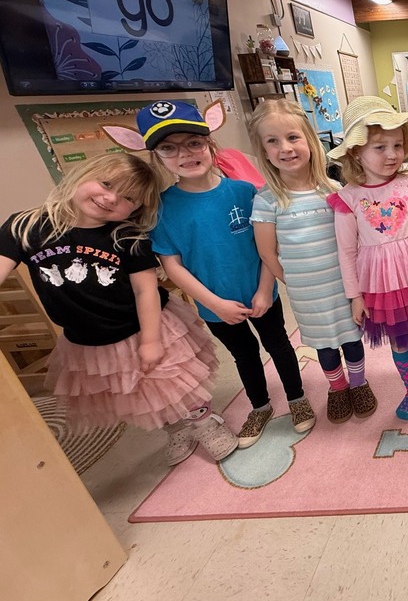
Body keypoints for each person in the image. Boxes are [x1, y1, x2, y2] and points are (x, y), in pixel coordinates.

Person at [0, 154, 237, 466]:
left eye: (127, 198)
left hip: (142, 328)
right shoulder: (25, 226)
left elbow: (145, 291)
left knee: (172, 384)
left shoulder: (127, 236)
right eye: (106, 184)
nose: (110, 198)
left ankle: (204, 422)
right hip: (87, 341)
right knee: (137, 394)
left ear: (136, 208)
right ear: (83, 174)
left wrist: (151, 341)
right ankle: (175, 426)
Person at [132, 101, 313, 448]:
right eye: (169, 148)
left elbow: (266, 249)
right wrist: (216, 304)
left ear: (210, 144)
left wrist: (264, 290)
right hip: (214, 305)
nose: (185, 154)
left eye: (193, 143)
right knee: (244, 355)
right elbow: (173, 266)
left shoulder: (245, 193)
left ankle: (297, 398)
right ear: (157, 157)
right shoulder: (163, 208)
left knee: (279, 345)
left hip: (262, 293)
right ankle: (259, 405)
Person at [327, 97, 408, 421]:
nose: (392, 154)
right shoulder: (348, 198)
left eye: (397, 145)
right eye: (379, 147)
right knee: (400, 344)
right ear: (356, 151)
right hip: (382, 285)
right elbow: (347, 251)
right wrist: (354, 296)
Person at [247, 99, 377, 425]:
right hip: (306, 293)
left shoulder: (333, 191)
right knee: (325, 346)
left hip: (343, 286)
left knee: (351, 338)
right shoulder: (266, 200)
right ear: (263, 151)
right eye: (272, 141)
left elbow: (353, 240)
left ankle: (359, 383)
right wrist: (292, 280)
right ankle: (338, 387)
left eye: (293, 137)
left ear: (309, 140)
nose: (285, 148)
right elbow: (267, 252)